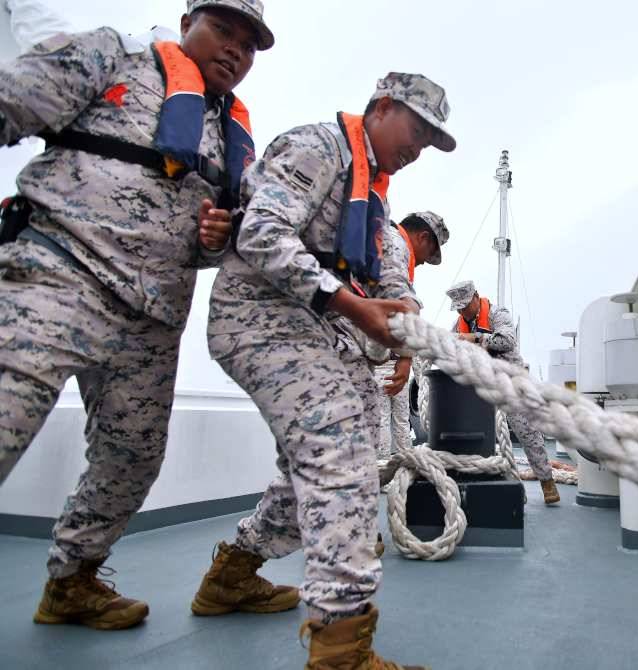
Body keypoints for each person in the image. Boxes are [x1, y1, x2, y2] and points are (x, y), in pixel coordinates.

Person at [0, 0, 273, 630]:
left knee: (133, 458)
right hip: (58, 274)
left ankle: (72, 581)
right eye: (222, 29)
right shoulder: (113, 55)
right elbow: (14, 100)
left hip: (150, 320)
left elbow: (220, 242)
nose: (234, 49)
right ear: (186, 26)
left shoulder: (234, 142)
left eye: (249, 43)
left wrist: (216, 238)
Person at [188, 72, 455, 669]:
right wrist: (351, 305)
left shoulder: (377, 199)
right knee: (341, 449)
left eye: (431, 140)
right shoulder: (317, 148)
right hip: (259, 318)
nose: (419, 148)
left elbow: (388, 275)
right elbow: (260, 233)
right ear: (382, 107)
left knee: (327, 454)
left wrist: (403, 311)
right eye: (417, 130)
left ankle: (234, 572)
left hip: (321, 332)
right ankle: (340, 650)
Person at [446, 280, 561, 505]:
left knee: (527, 433)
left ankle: (547, 482)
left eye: (464, 305)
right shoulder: (458, 325)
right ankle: (498, 487)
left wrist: (476, 338)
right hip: (482, 385)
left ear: (476, 297)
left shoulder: (498, 314)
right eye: (458, 307)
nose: (461, 310)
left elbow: (507, 341)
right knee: (482, 438)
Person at [374, 211, 449, 459]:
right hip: (385, 361)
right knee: (385, 419)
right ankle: (386, 467)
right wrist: (406, 357)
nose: (423, 262)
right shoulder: (397, 245)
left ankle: (401, 465)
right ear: (423, 237)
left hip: (384, 358)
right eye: (428, 256)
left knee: (396, 418)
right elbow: (400, 305)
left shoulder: (388, 241)